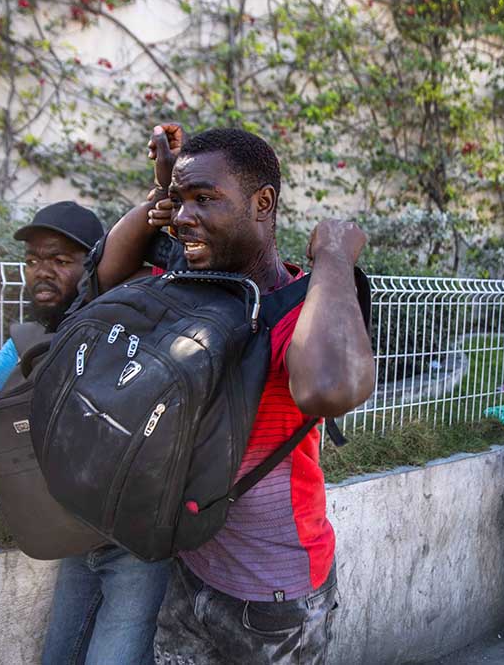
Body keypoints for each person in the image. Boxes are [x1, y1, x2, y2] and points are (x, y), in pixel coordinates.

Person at [91, 124, 375, 664]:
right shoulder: (192, 285)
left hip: (275, 598)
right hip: (189, 571)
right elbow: (107, 274)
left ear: (263, 203)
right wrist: (164, 188)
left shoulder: (297, 308)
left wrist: (334, 259)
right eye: (180, 202)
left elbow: (329, 388)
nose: (182, 217)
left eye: (204, 199)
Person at [0, 201, 171, 665]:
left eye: (60, 260)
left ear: (96, 264)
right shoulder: (28, 342)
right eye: (32, 260)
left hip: (135, 544)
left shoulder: (129, 328)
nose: (41, 272)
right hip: (71, 538)